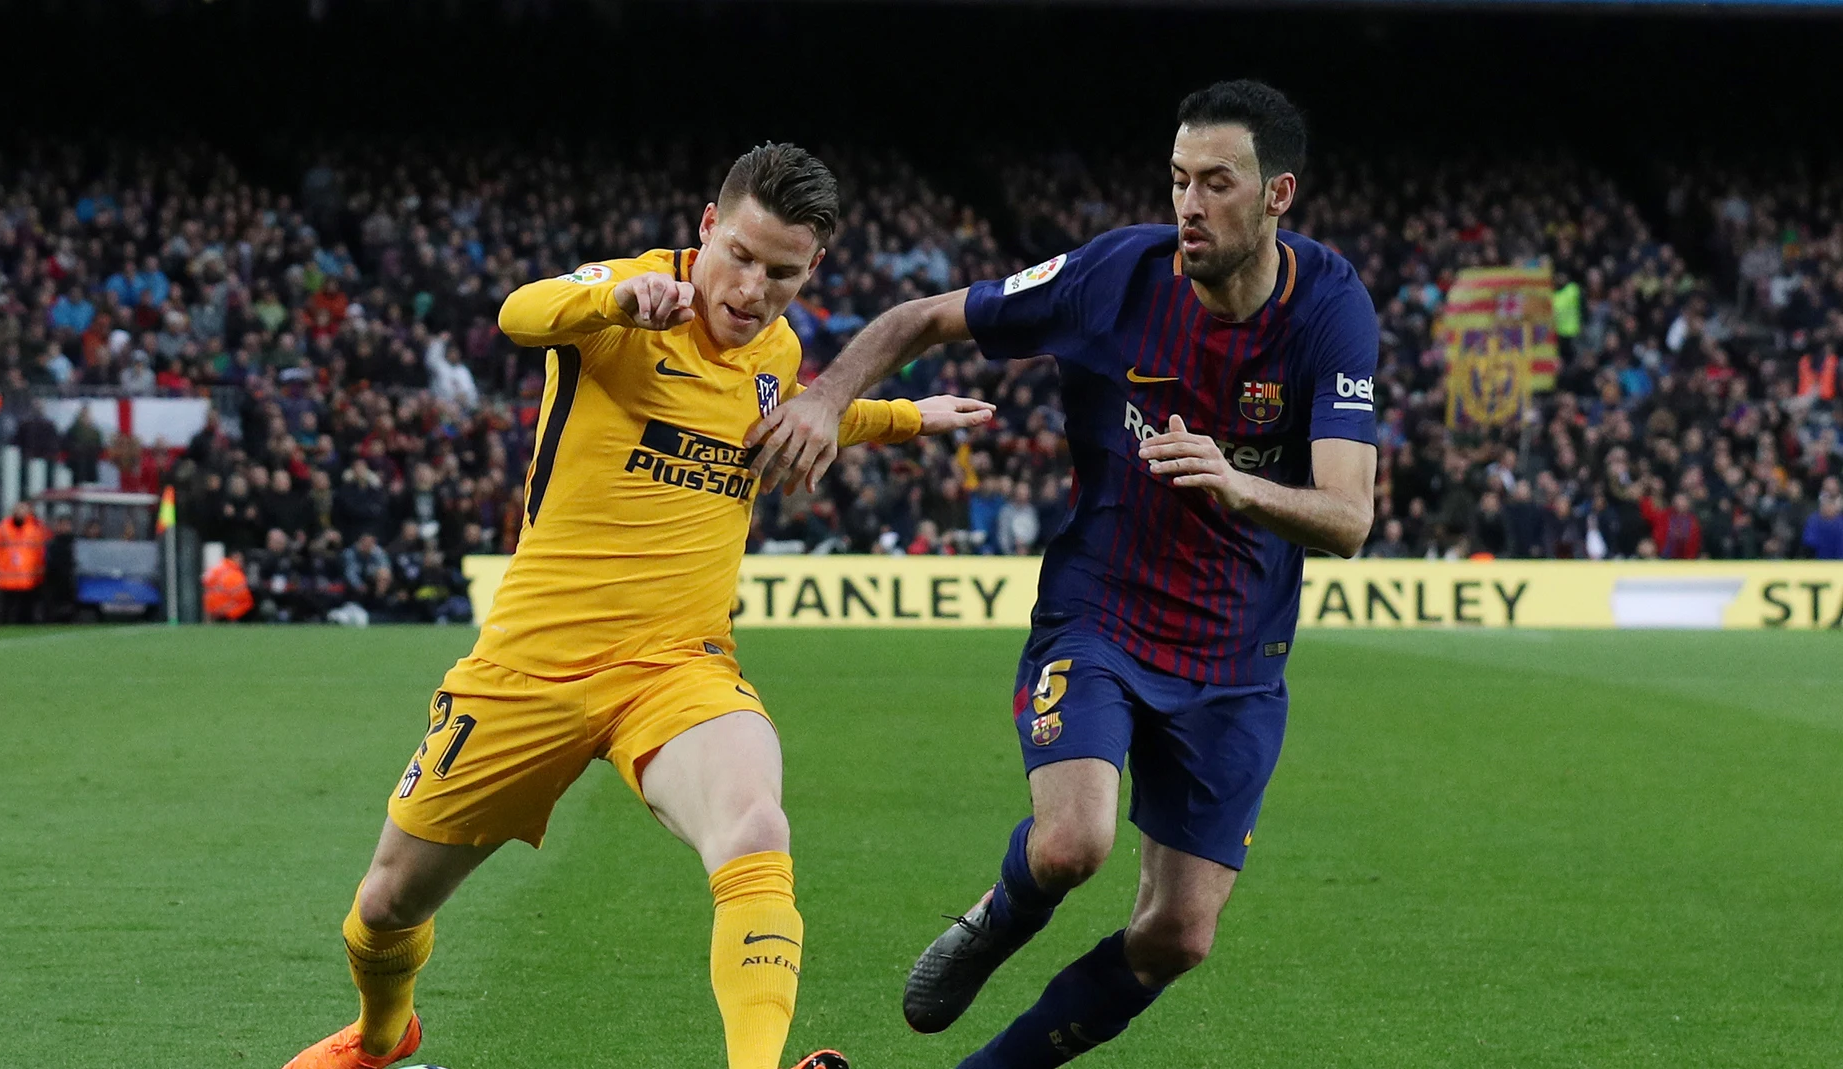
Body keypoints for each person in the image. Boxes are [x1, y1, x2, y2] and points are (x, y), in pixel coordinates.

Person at [279, 142, 994, 1069]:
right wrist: (612, 299)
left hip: (675, 667)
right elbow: (518, 312)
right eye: (738, 255)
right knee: (385, 907)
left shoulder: (777, 350)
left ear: (813, 268)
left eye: (782, 272)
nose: (751, 289)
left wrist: (903, 416)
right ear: (707, 227)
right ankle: (382, 1040)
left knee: (756, 826)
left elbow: (773, 415)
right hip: (525, 669)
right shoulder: (629, 300)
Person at [748, 82, 1377, 1069]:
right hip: (1103, 619)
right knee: (1072, 841)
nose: (1189, 204)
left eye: (1216, 182)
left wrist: (1235, 482)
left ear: (1277, 195)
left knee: (1178, 936)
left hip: (1235, 664)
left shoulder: (1330, 310)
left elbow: (1348, 516)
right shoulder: (1113, 276)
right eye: (1178, 179)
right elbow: (921, 318)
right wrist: (825, 399)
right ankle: (1003, 913)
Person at [0, 501, 52, 625]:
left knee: (26, 608)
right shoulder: (2, 529)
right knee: (6, 608)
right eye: (19, 509)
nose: (21, 513)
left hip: (28, 577)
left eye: (24, 510)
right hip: (7, 577)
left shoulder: (36, 529)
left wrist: (39, 568)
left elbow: (41, 551)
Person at [203, 550, 255, 622]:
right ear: (234, 558)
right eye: (240, 559)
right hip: (225, 607)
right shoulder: (235, 573)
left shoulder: (216, 568)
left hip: (211, 605)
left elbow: (205, 580)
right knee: (248, 602)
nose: (241, 562)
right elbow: (243, 595)